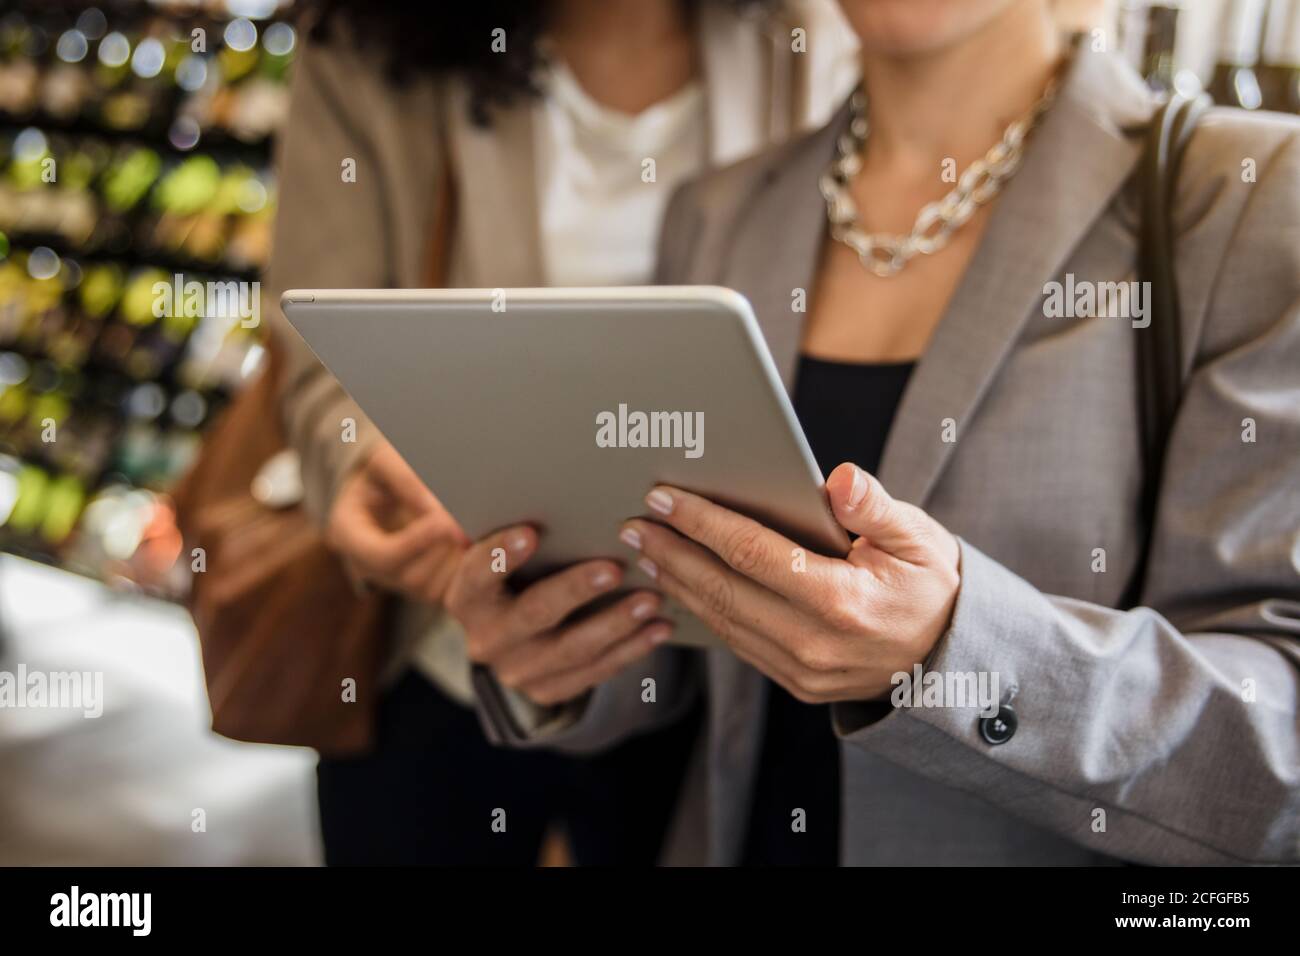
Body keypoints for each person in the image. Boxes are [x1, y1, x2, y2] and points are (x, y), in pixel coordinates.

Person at [458, 0, 1300, 865]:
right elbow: (687, 667)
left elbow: (1280, 750)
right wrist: (564, 651)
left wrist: (952, 652)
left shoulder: (1245, 195)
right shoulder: (721, 211)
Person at [267, 0, 857, 864]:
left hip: (707, 671)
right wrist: (367, 467)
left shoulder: (815, 36)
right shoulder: (368, 49)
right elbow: (314, 351)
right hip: (446, 656)